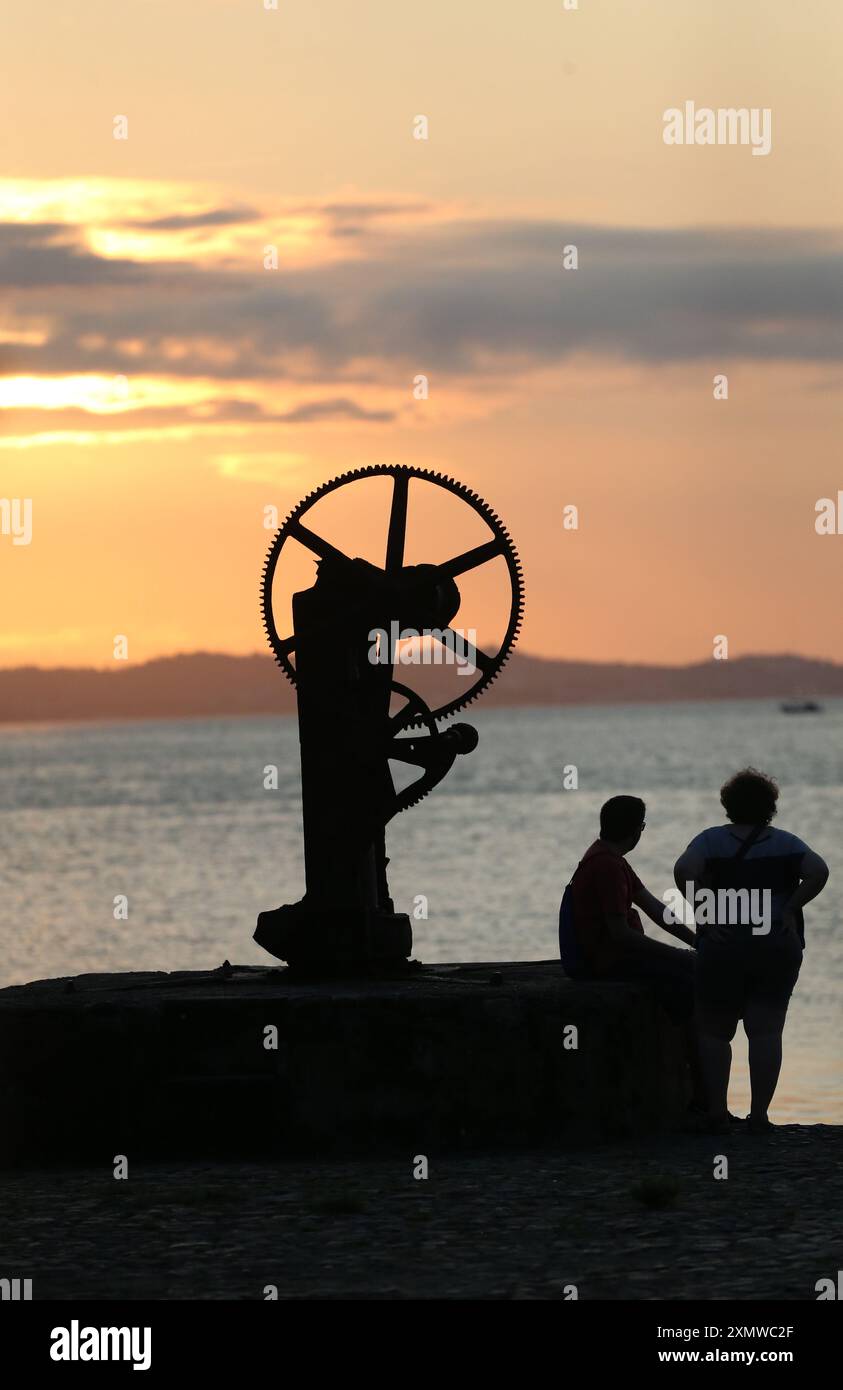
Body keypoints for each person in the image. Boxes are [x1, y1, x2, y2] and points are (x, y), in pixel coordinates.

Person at [673, 768, 829, 1134]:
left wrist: (705, 914)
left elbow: (684, 870)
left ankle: (716, 1113)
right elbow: (819, 871)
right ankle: (759, 1116)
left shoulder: (709, 841)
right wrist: (790, 908)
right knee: (766, 1031)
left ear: (728, 805)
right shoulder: (787, 842)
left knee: (714, 1031)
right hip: (776, 942)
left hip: (724, 945)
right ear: (770, 806)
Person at [565, 796, 703, 1106]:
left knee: (690, 969)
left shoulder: (610, 859)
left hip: (615, 954)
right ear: (635, 830)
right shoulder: (607, 866)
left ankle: (699, 1084)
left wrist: (694, 940)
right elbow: (621, 934)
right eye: (642, 826)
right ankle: (700, 1089)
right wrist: (677, 954)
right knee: (689, 981)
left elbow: (655, 908)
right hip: (608, 960)